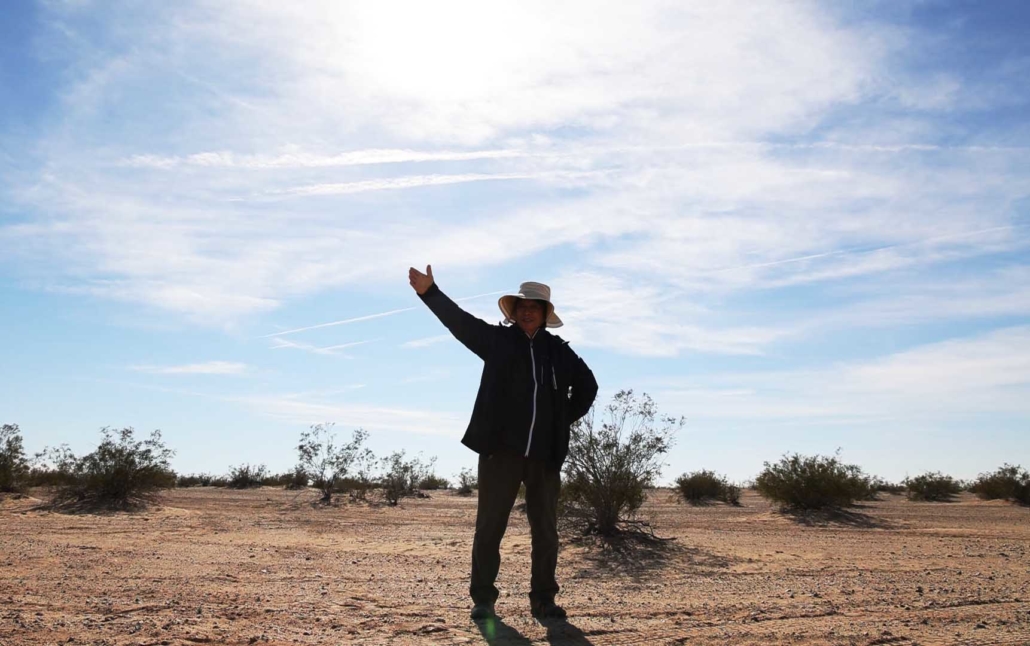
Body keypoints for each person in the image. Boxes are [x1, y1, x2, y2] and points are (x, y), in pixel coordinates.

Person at [408, 265, 598, 622]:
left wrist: (559, 422)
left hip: (544, 456)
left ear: (544, 314)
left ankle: (543, 600)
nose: (528, 312)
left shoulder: (559, 352)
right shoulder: (497, 341)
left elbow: (589, 387)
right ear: (514, 311)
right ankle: (483, 599)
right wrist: (430, 293)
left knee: (546, 532)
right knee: (490, 528)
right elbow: (460, 323)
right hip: (500, 453)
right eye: (522, 306)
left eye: (535, 307)